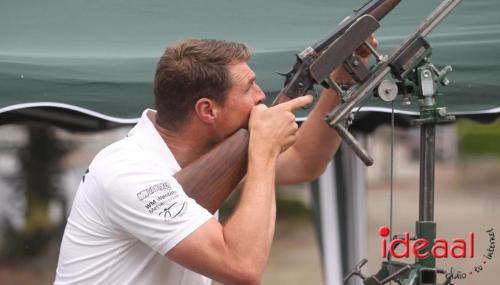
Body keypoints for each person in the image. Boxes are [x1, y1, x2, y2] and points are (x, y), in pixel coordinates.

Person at [54, 37, 377, 285]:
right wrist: (262, 151)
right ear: (208, 110)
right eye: (249, 87)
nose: (261, 96)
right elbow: (241, 267)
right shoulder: (127, 171)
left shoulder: (212, 155)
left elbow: (306, 161)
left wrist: (343, 81)